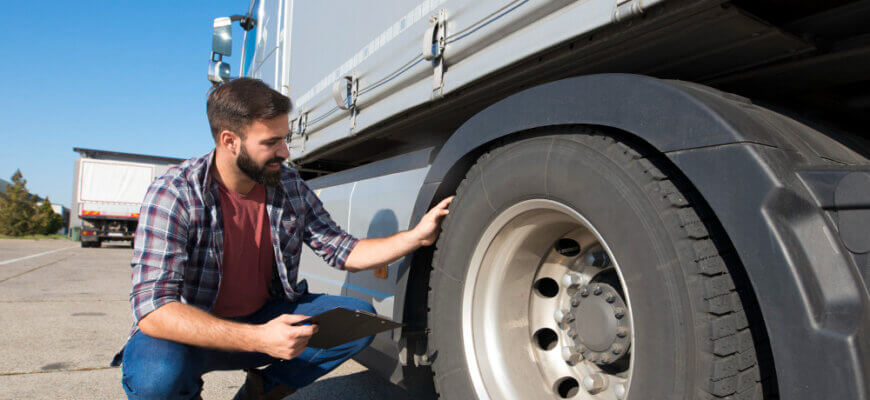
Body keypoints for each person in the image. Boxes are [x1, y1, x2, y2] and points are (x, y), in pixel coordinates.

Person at [112, 77, 454, 400]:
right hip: (192, 331)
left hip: (265, 316)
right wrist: (260, 338)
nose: (285, 152)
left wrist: (416, 236)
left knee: (359, 321)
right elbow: (154, 310)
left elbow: (343, 250)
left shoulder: (289, 188)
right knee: (157, 377)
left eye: (284, 138)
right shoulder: (176, 193)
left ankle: (262, 391)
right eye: (271, 142)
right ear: (230, 141)